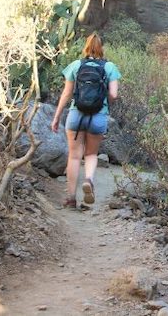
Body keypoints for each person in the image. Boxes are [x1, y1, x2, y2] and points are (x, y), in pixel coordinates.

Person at [50, 33, 121, 208]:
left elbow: (66, 93)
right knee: (90, 154)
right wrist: (105, 104)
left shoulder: (76, 65)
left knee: (74, 157)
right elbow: (113, 94)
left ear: (86, 47)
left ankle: (71, 198)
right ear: (101, 48)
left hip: (76, 114)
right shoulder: (109, 66)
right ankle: (88, 180)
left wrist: (57, 116)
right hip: (98, 116)